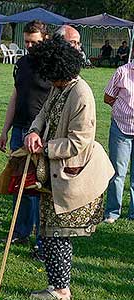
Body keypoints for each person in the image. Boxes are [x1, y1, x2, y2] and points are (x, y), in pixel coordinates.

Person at [24, 35, 114, 300]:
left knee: (59, 234)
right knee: (49, 232)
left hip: (72, 175)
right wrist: (33, 131)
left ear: (60, 69)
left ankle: (61, 291)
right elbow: (43, 113)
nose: (49, 81)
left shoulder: (81, 94)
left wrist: (46, 147)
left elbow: (79, 141)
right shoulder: (59, 86)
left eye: (51, 76)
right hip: (52, 173)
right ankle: (55, 286)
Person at [0, 21, 51, 259]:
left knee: (39, 186)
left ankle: (42, 240)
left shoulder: (52, 65)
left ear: (46, 39)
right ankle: (20, 231)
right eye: (27, 41)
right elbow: (15, 96)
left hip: (42, 133)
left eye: (34, 42)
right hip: (19, 129)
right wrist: (5, 129)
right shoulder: (21, 63)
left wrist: (41, 131)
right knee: (20, 184)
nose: (29, 46)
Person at [103, 61, 134, 223]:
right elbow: (107, 97)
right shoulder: (122, 72)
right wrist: (120, 109)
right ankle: (112, 212)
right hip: (121, 128)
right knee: (117, 172)